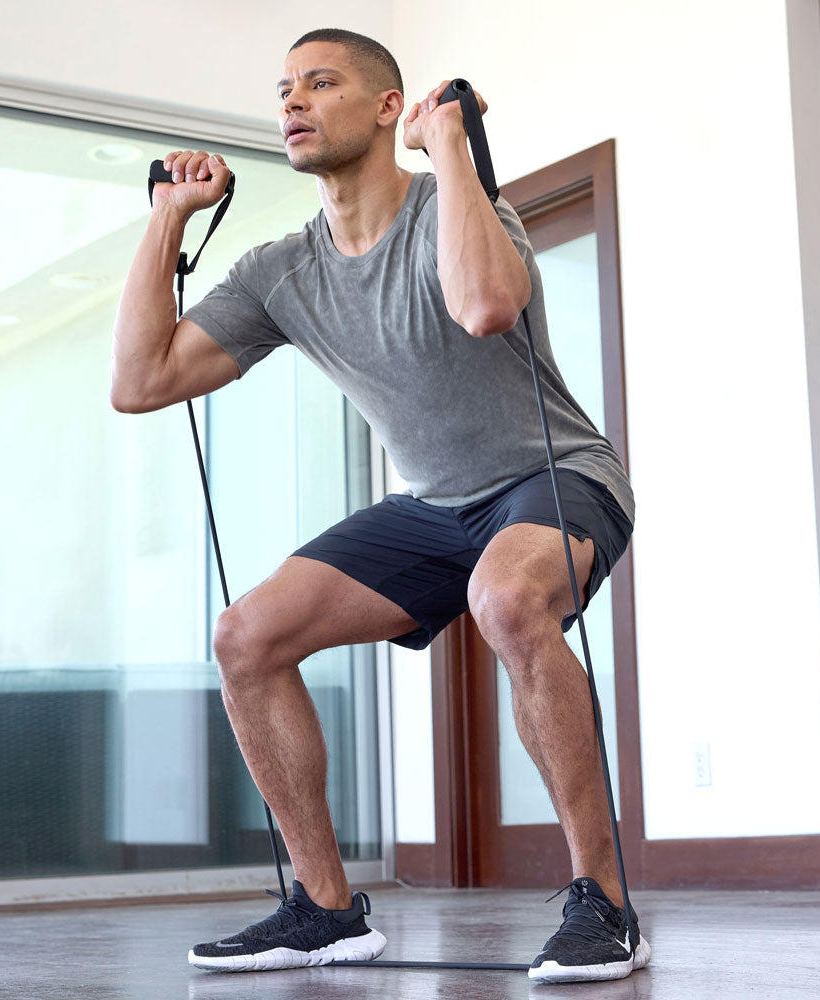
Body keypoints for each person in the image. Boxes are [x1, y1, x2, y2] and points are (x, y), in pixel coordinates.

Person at [111, 27, 651, 985]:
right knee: (247, 636)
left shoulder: (460, 211)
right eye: (285, 89)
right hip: (436, 507)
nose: (294, 103)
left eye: (322, 84)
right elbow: (142, 380)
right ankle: (324, 911)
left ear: (385, 106)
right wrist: (167, 218)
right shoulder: (283, 272)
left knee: (506, 600)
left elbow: (485, 306)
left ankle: (603, 906)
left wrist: (450, 145)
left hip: (556, 475)